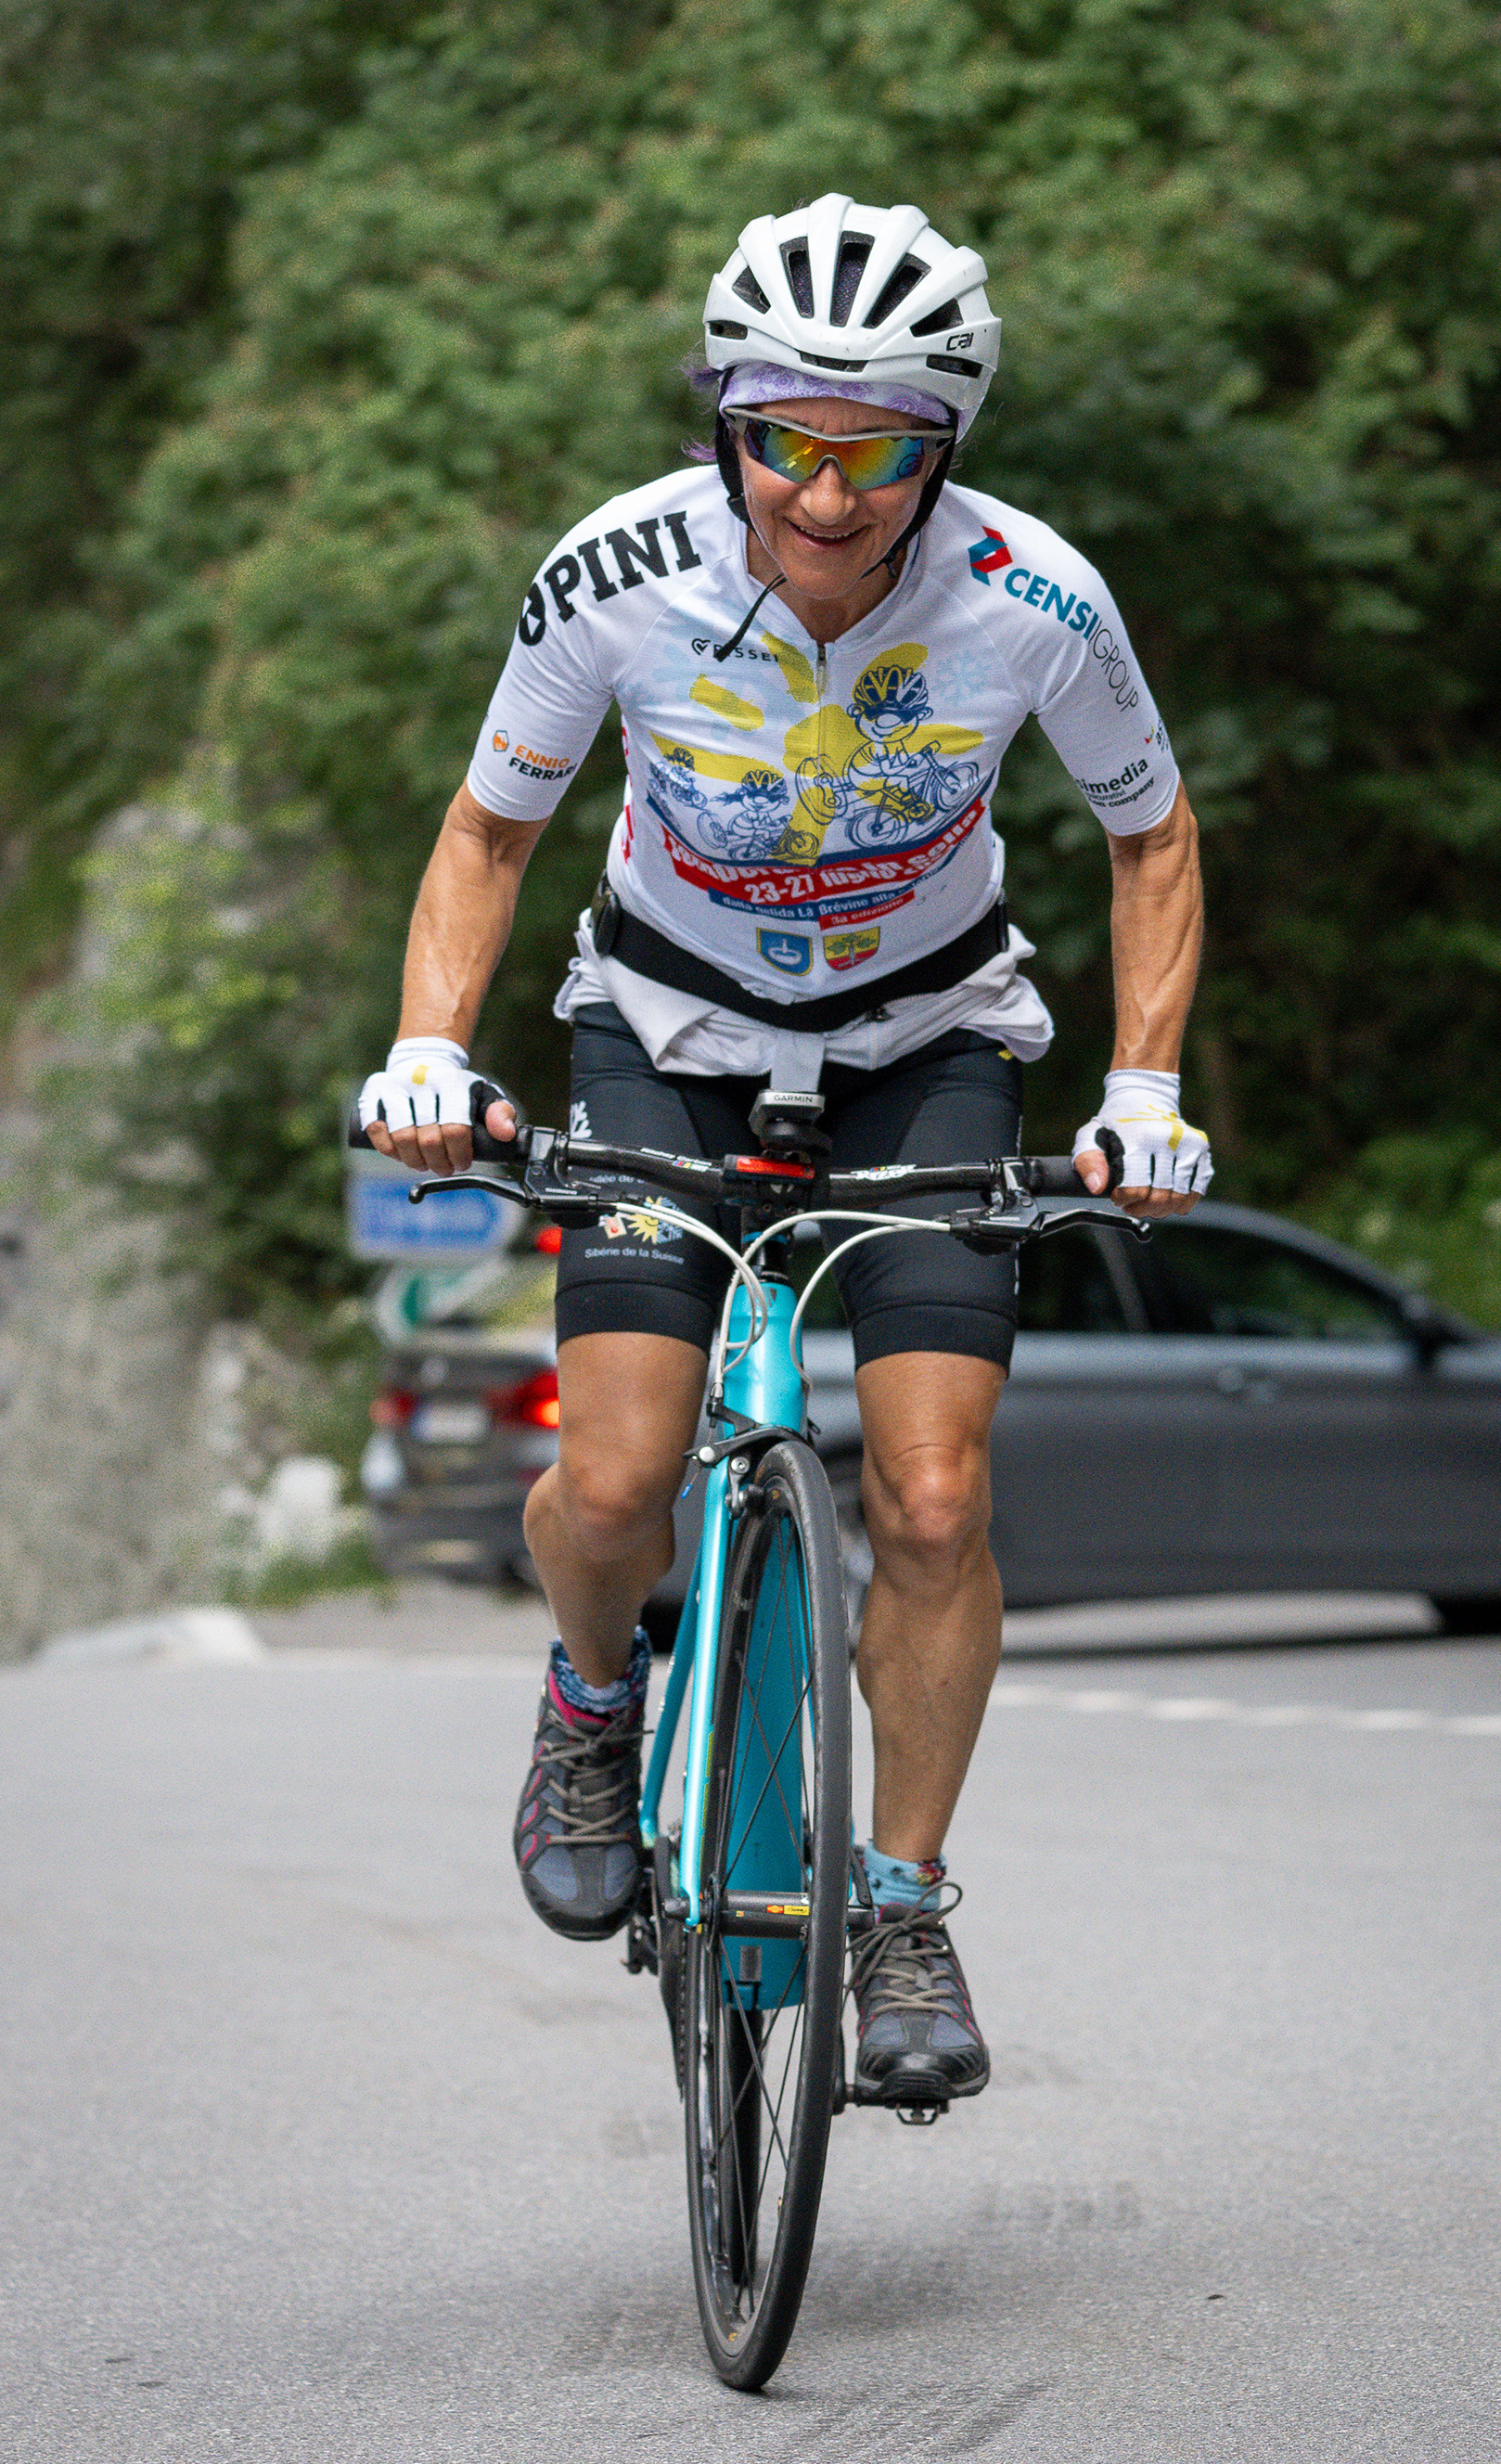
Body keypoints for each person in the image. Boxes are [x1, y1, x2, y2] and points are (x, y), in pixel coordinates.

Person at [357, 193, 1212, 2103]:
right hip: (666, 1030)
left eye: (878, 451)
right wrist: (429, 1051)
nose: (823, 493)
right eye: (784, 440)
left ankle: (900, 1905)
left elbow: (1152, 837)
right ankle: (592, 1701)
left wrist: (1141, 1091)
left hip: (928, 1041)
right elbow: (490, 831)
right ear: (727, 421)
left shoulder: (1039, 600)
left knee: (933, 1499)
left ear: (944, 449)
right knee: (612, 1483)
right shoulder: (615, 576)